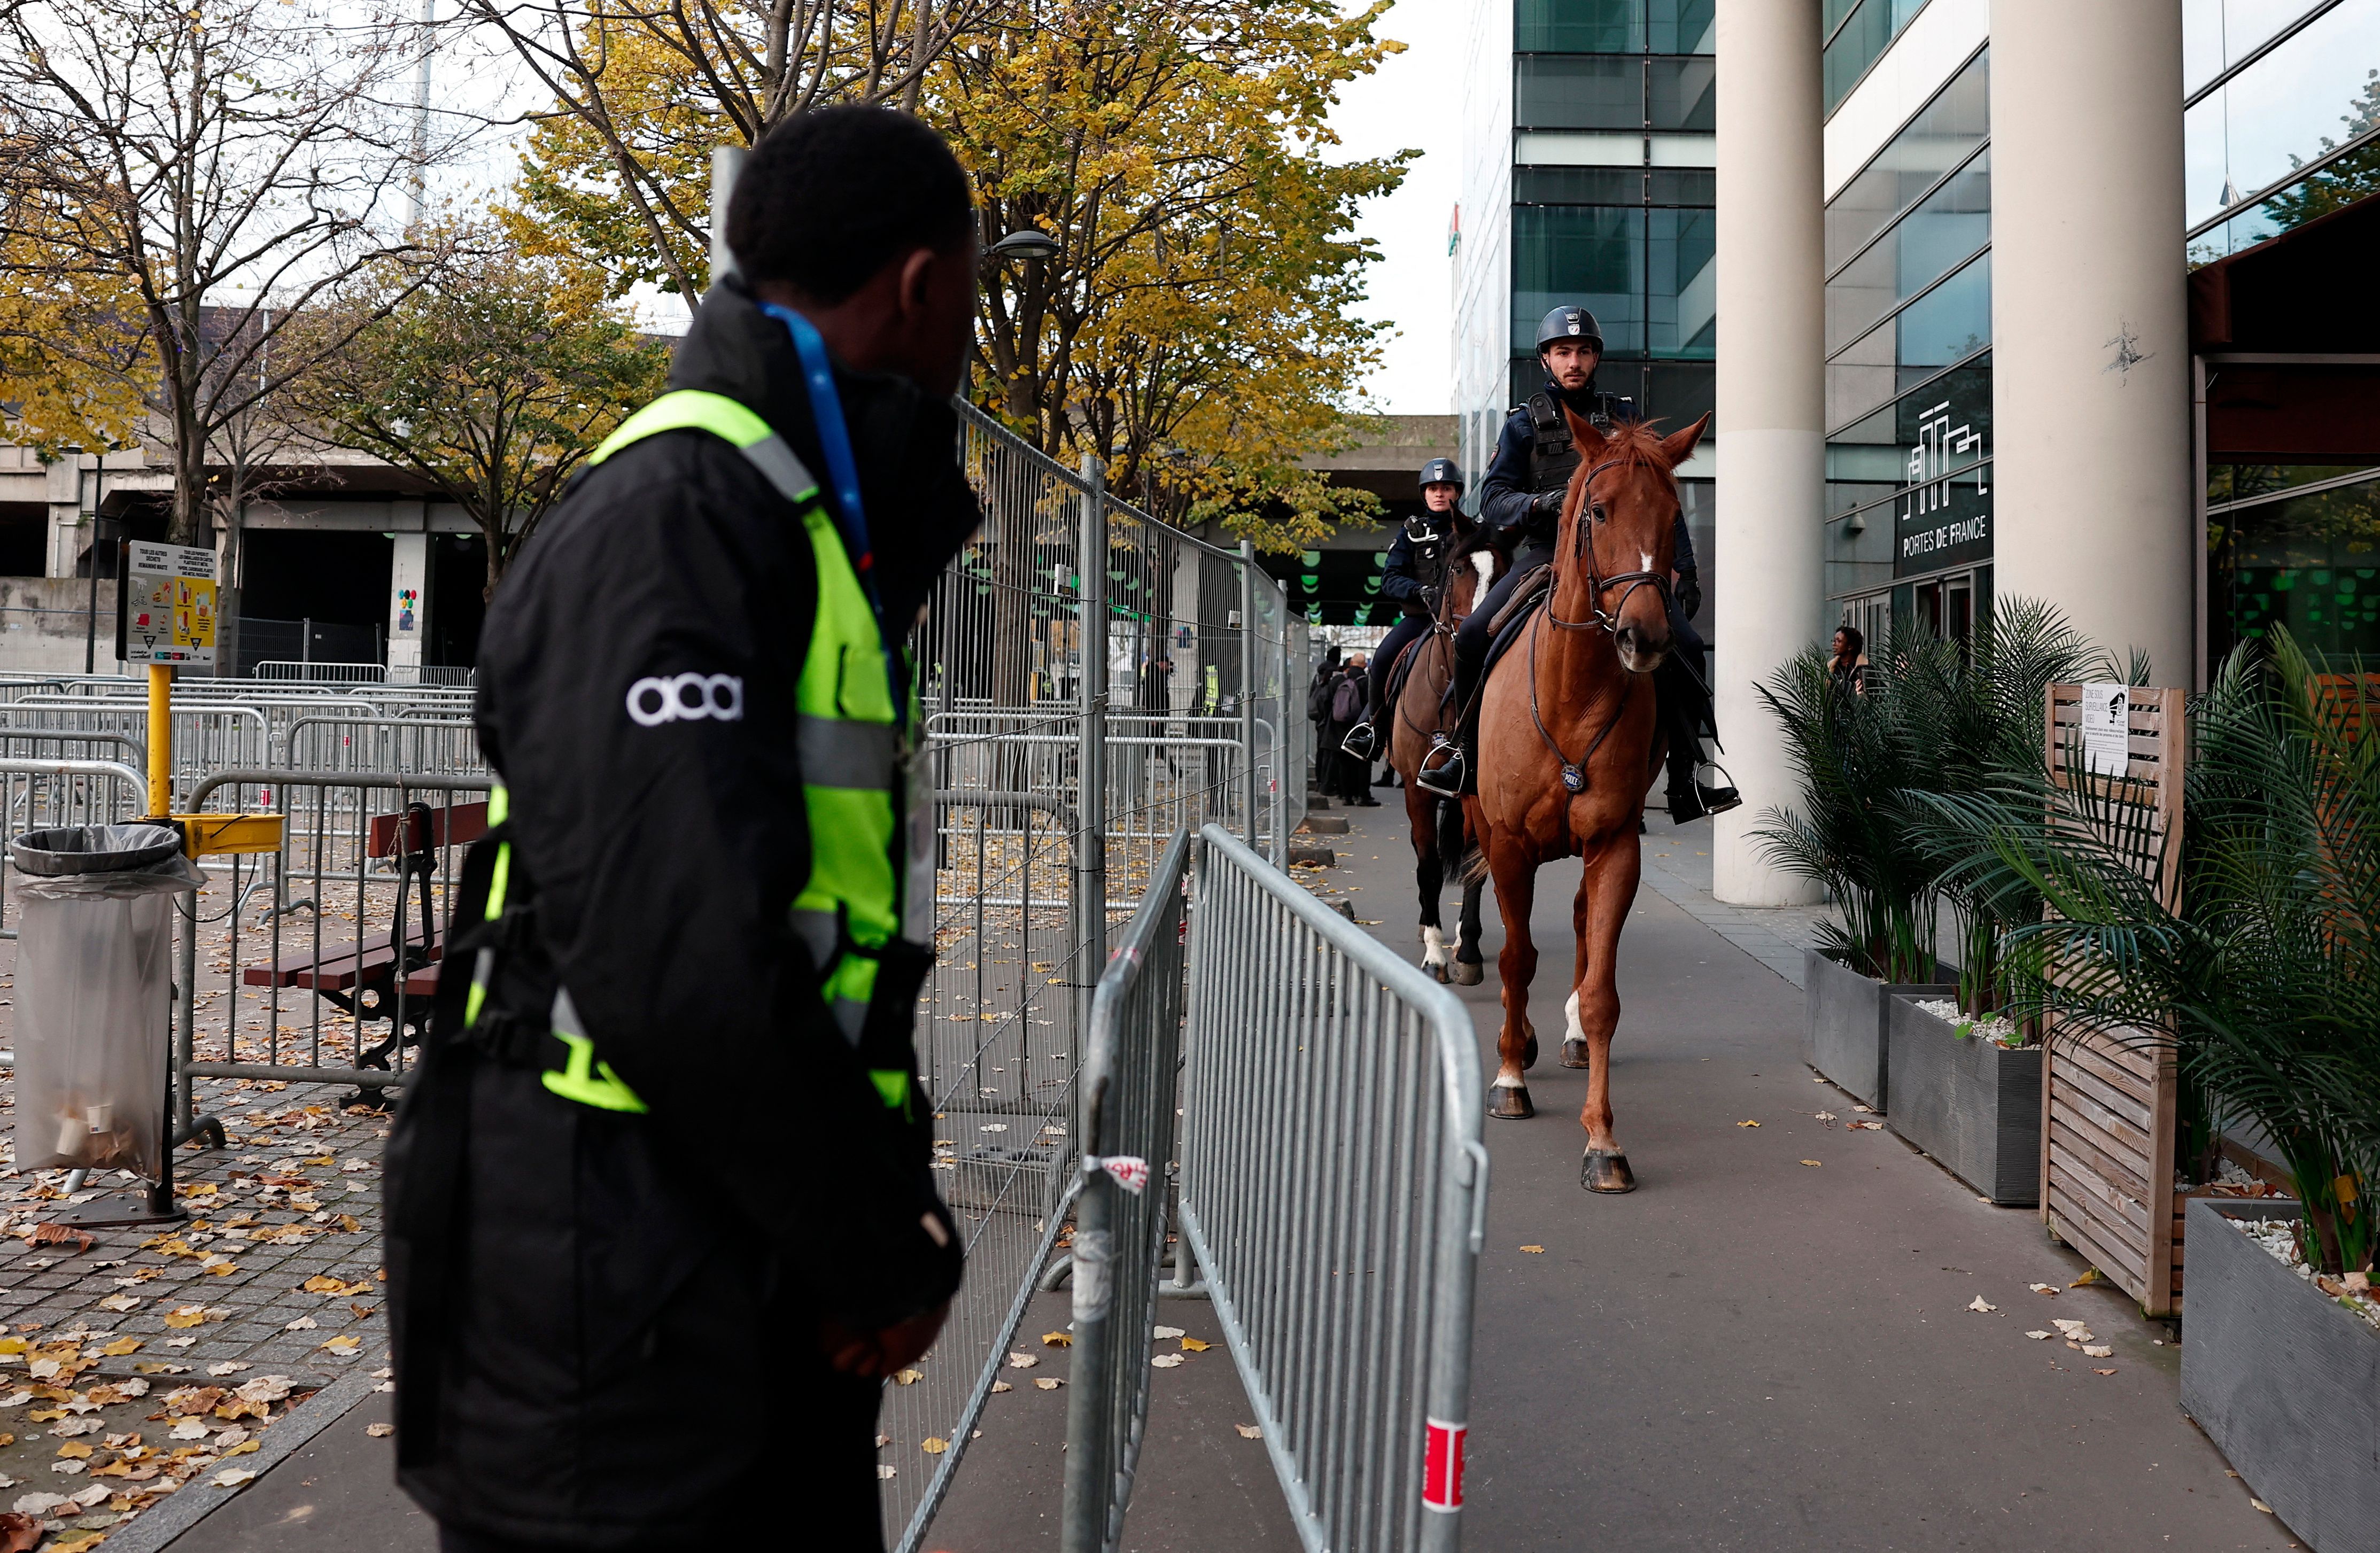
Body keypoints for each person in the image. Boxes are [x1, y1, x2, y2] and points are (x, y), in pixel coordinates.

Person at [386, 106, 976, 1553]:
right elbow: (680, 953)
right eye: (972, 294)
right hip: (621, 1325)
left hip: (700, 1274)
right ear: (916, 286)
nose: (972, 337)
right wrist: (872, 1247)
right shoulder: (680, 510)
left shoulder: (771, 504)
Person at [1420, 305, 1738, 823]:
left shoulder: (1625, 417)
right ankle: (1463, 753)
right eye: (1563, 352)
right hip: (1549, 555)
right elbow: (1495, 497)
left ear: (1595, 359)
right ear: (1546, 359)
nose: (1574, 361)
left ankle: (1686, 775)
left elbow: (1655, 497)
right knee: (1474, 633)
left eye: (1583, 351)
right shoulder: (1524, 424)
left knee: (1686, 645)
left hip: (1618, 561)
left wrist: (1685, 568)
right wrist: (1538, 504)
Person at [1340, 458, 1467, 765]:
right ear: (1424, 494)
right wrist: (1417, 590)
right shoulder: (1411, 531)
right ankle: (1373, 729)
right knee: (1383, 658)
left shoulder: (1471, 530)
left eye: (1446, 488)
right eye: (1433, 488)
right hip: (1420, 619)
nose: (1440, 494)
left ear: (1457, 493)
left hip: (1464, 621)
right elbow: (1390, 578)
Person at [1327, 653, 1377, 804]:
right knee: (1363, 764)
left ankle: (1346, 796)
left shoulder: (1338, 681)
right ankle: (1363, 796)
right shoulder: (1368, 682)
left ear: (1350, 664)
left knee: (1344, 765)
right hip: (1360, 730)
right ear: (1365, 666)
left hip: (1339, 730)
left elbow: (1327, 703)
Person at [1828, 623, 1869, 697]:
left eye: (1838, 641)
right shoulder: (1831, 669)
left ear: (1850, 646)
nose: (1834, 644)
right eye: (1834, 640)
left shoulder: (1864, 670)